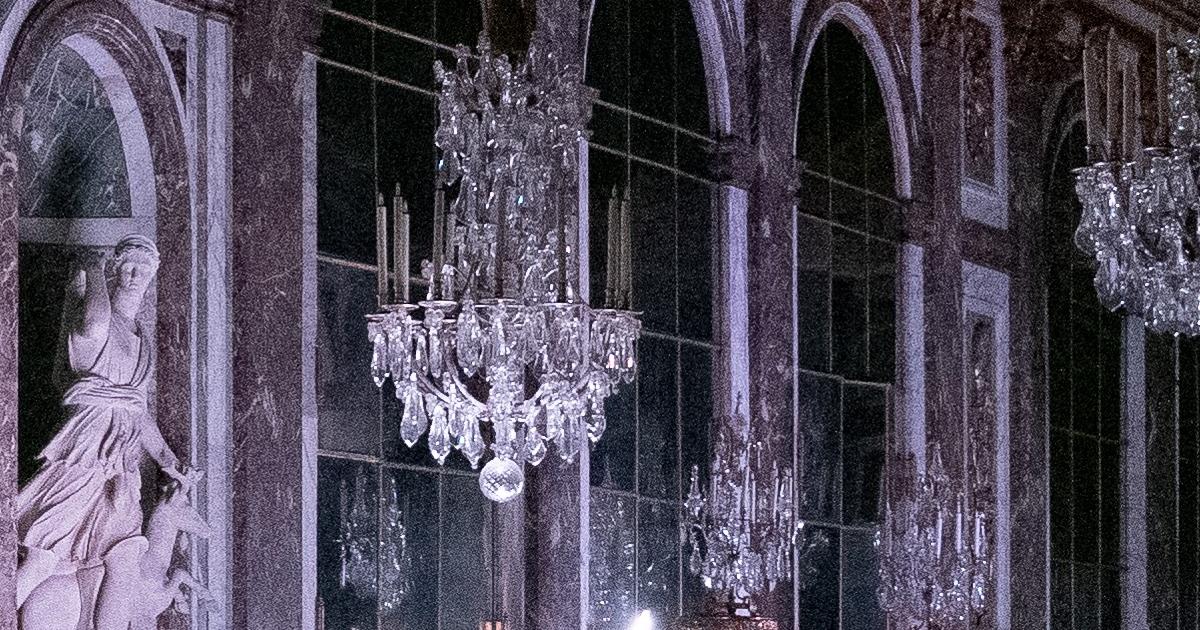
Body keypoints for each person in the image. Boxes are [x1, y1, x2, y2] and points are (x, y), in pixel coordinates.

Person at [15, 235, 191, 630]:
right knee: (45, 556)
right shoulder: (95, 323)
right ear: (113, 271)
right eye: (127, 266)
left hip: (121, 463)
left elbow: (136, 408)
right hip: (85, 453)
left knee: (124, 556)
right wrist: (93, 266)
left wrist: (166, 458)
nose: (134, 276)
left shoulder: (141, 338)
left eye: (143, 270)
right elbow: (94, 321)